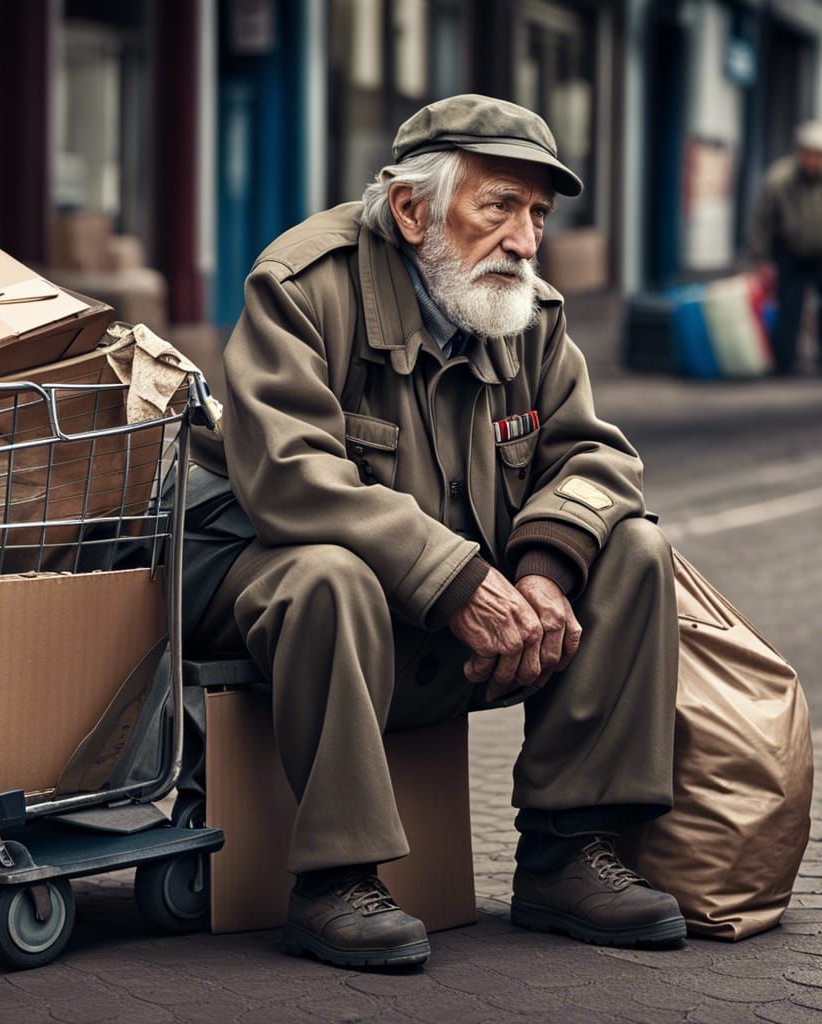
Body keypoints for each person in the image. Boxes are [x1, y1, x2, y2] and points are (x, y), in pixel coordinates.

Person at [190, 94, 683, 969]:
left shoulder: (526, 309)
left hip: (466, 638)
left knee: (634, 549)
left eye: (538, 215)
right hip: (301, 614)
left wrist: (541, 572)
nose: (526, 241)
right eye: (500, 206)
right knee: (326, 575)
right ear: (413, 210)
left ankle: (569, 851)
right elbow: (289, 475)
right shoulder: (304, 285)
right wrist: (457, 580)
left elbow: (597, 457)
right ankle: (336, 881)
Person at [749, 120, 822, 375]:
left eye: (819, 156)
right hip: (791, 254)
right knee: (789, 310)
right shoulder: (779, 180)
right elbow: (762, 221)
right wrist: (760, 259)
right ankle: (785, 365)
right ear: (799, 153)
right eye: (809, 154)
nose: (813, 161)